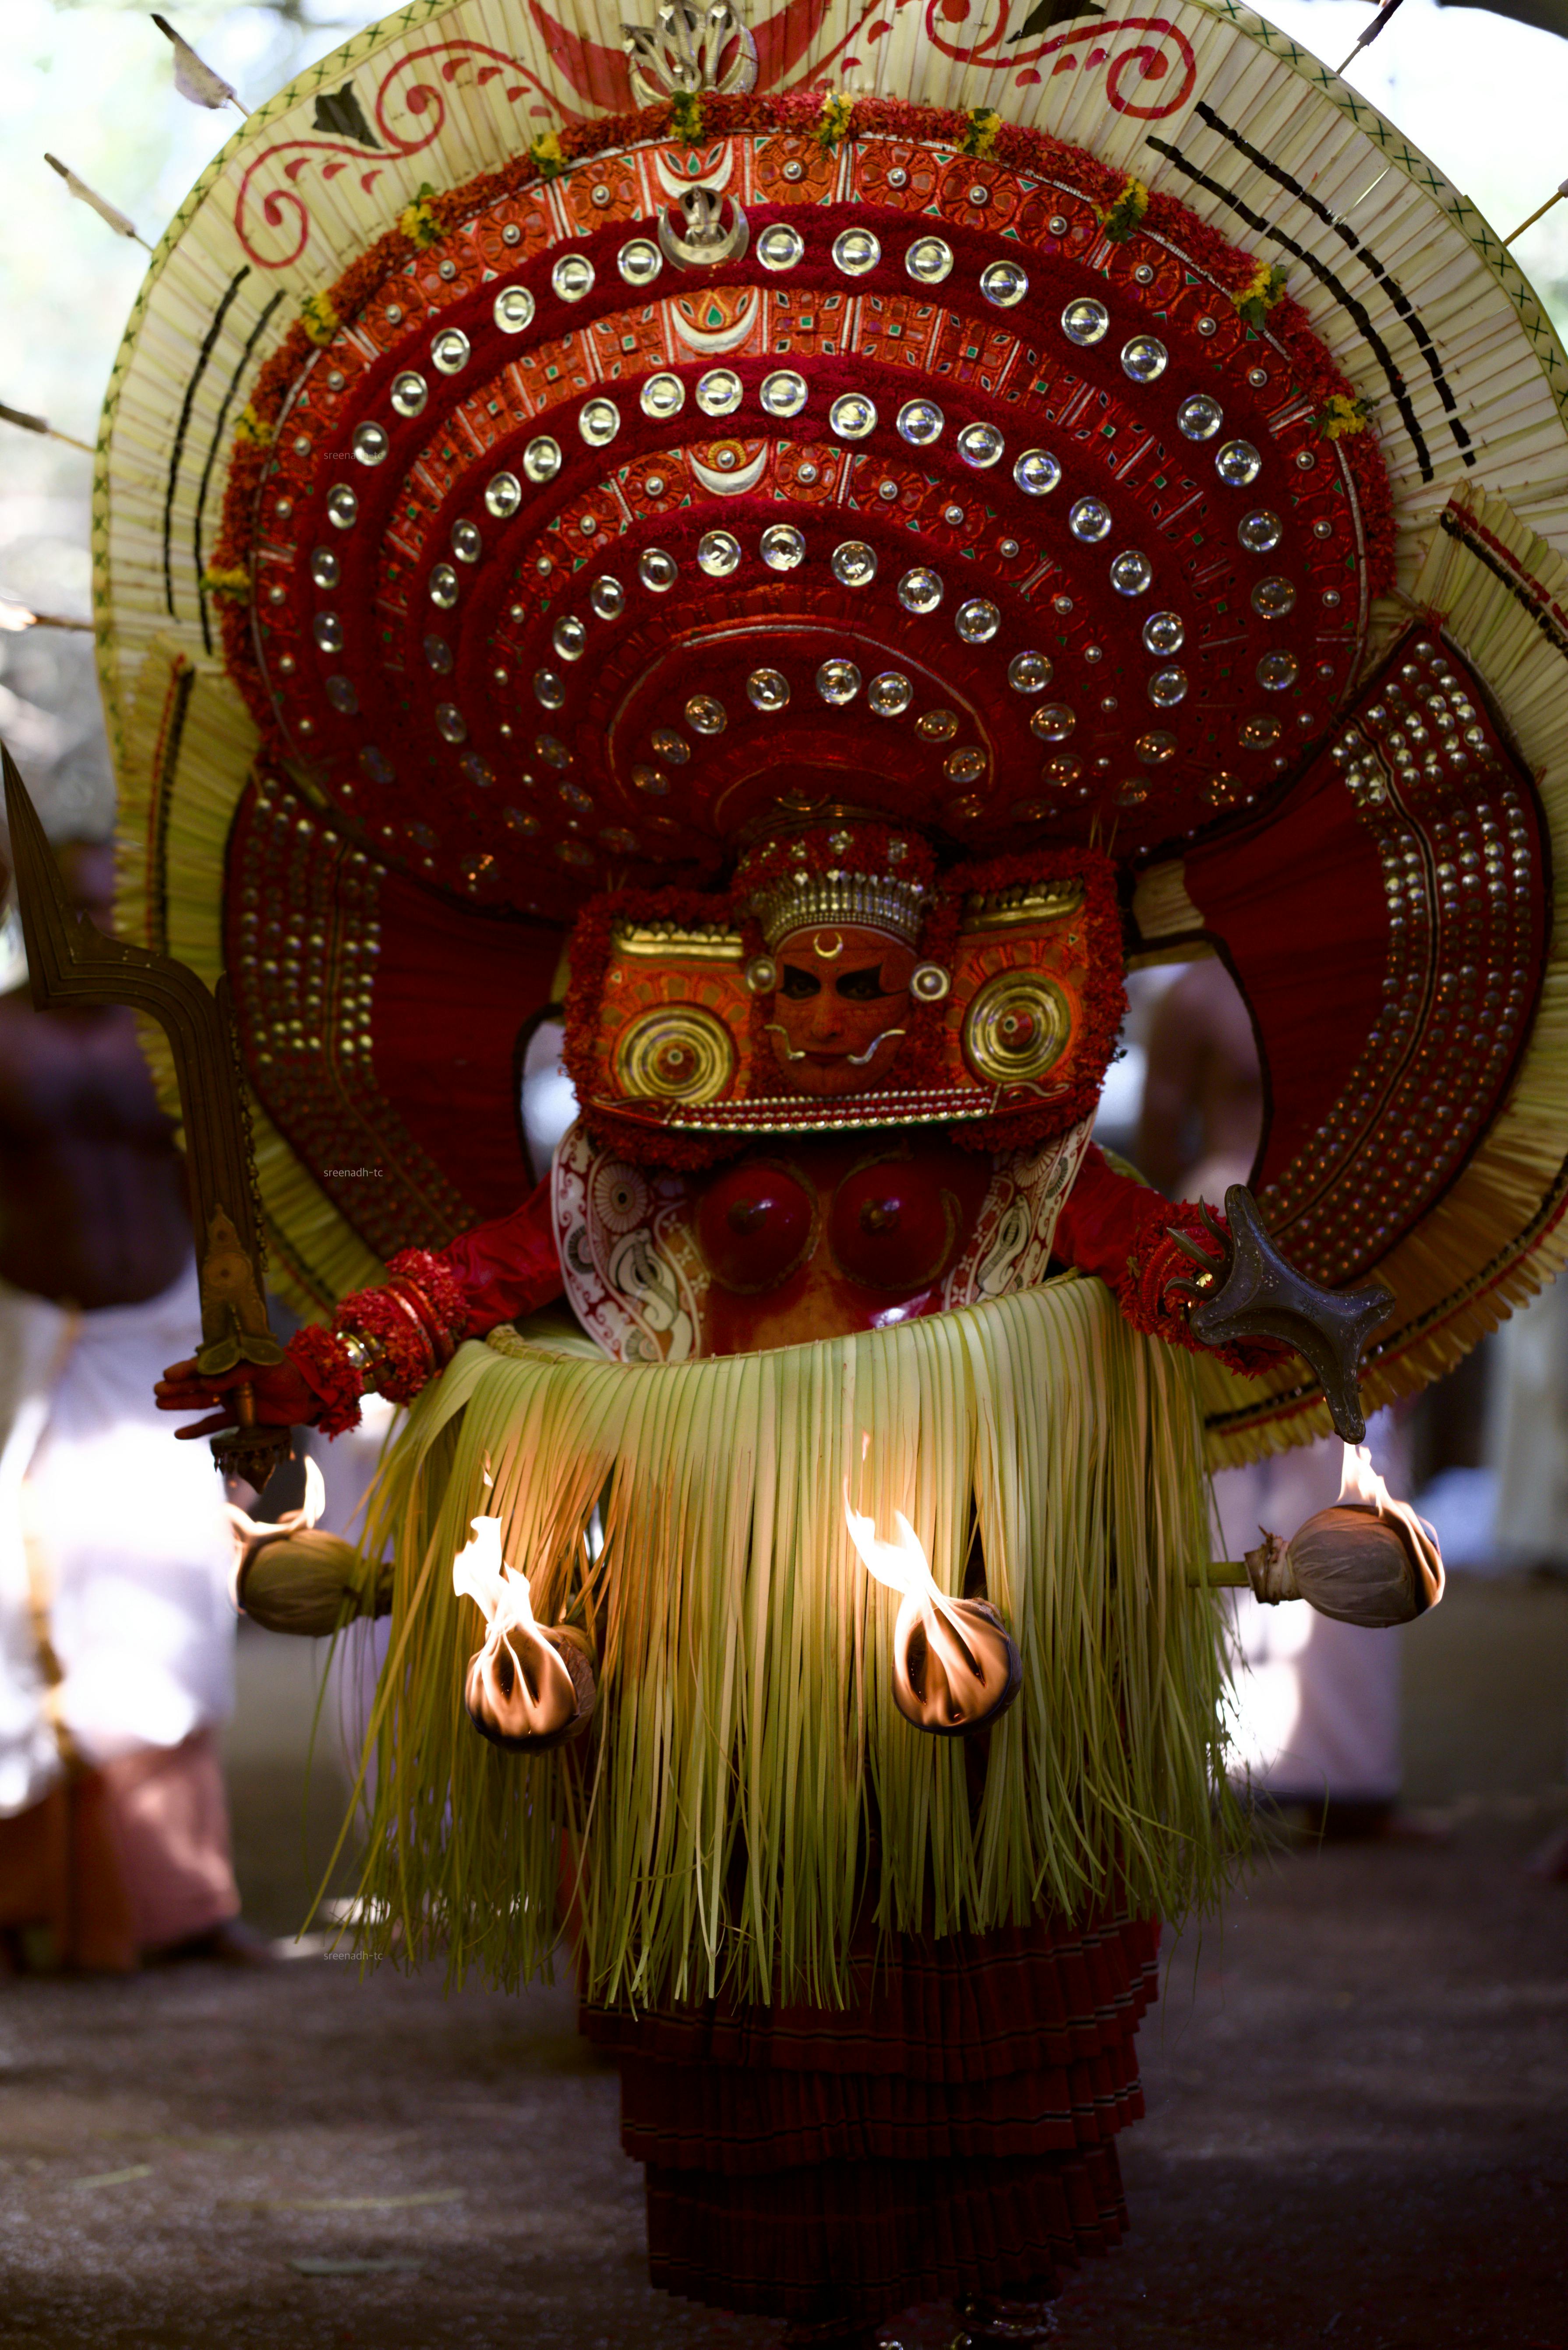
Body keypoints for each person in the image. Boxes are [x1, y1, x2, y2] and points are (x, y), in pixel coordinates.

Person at [0, 841, 253, 1970]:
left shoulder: (175, 1033)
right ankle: (19, 1904)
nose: (94, 923)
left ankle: (179, 1905)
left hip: (163, 1349)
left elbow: (229, 1196)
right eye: (72, 905)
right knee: (20, 1622)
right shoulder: (1, 1037)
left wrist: (248, 1361)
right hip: (35, 1354)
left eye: (113, 903)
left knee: (174, 1617)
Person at [1139, 960, 1409, 1832]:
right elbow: (1157, 1133)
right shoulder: (1196, 994)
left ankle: (1349, 1772)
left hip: (1338, 1221)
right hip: (1223, 1221)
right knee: (1219, 1473)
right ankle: (1215, 1758)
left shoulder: (1363, 972)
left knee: (1353, 1476)